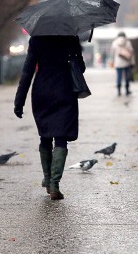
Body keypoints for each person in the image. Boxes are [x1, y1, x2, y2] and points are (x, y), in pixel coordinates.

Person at [13, 35, 86, 200]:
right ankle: (55, 185)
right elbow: (80, 68)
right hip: (64, 90)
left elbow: (28, 71)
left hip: (42, 91)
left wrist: (19, 101)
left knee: (45, 136)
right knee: (61, 138)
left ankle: (47, 179)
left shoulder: (37, 39)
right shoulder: (70, 38)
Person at [110, 31, 135, 96]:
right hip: (126, 62)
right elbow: (131, 53)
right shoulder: (128, 42)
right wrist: (132, 62)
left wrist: (112, 62)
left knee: (119, 77)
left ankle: (119, 91)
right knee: (127, 76)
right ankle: (127, 90)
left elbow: (112, 54)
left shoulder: (114, 43)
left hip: (118, 63)